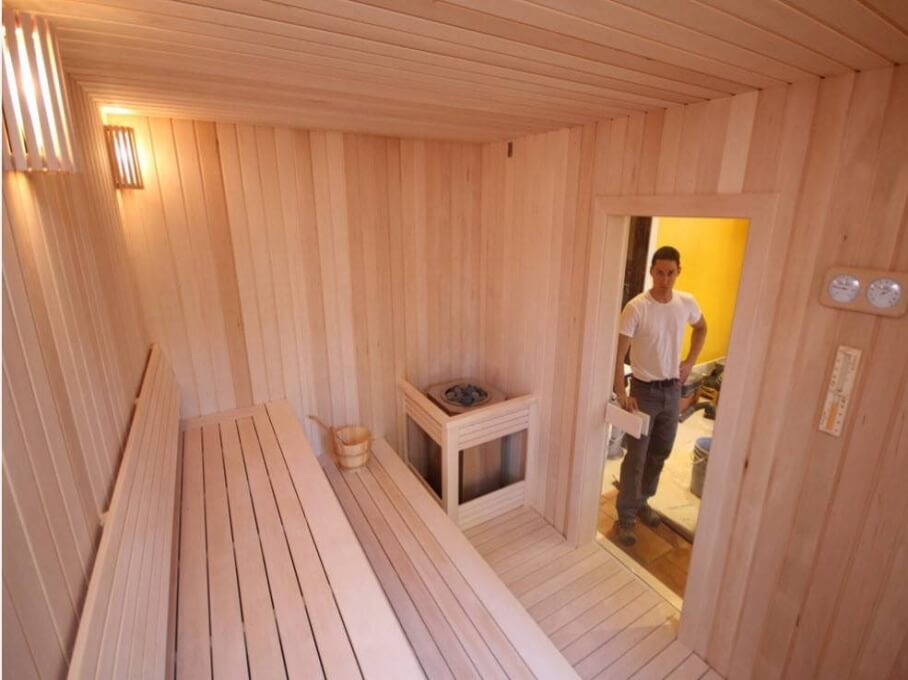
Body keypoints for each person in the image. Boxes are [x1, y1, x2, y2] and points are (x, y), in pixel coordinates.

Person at [613, 245, 707, 546]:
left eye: (670, 273)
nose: (665, 280)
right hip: (644, 392)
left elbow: (701, 328)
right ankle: (626, 517)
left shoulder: (686, 303)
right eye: (659, 273)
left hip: (672, 390)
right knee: (636, 457)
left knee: (660, 452)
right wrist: (621, 391)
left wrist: (690, 361)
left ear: (678, 272)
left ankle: (642, 501)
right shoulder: (636, 307)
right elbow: (618, 354)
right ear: (651, 272)